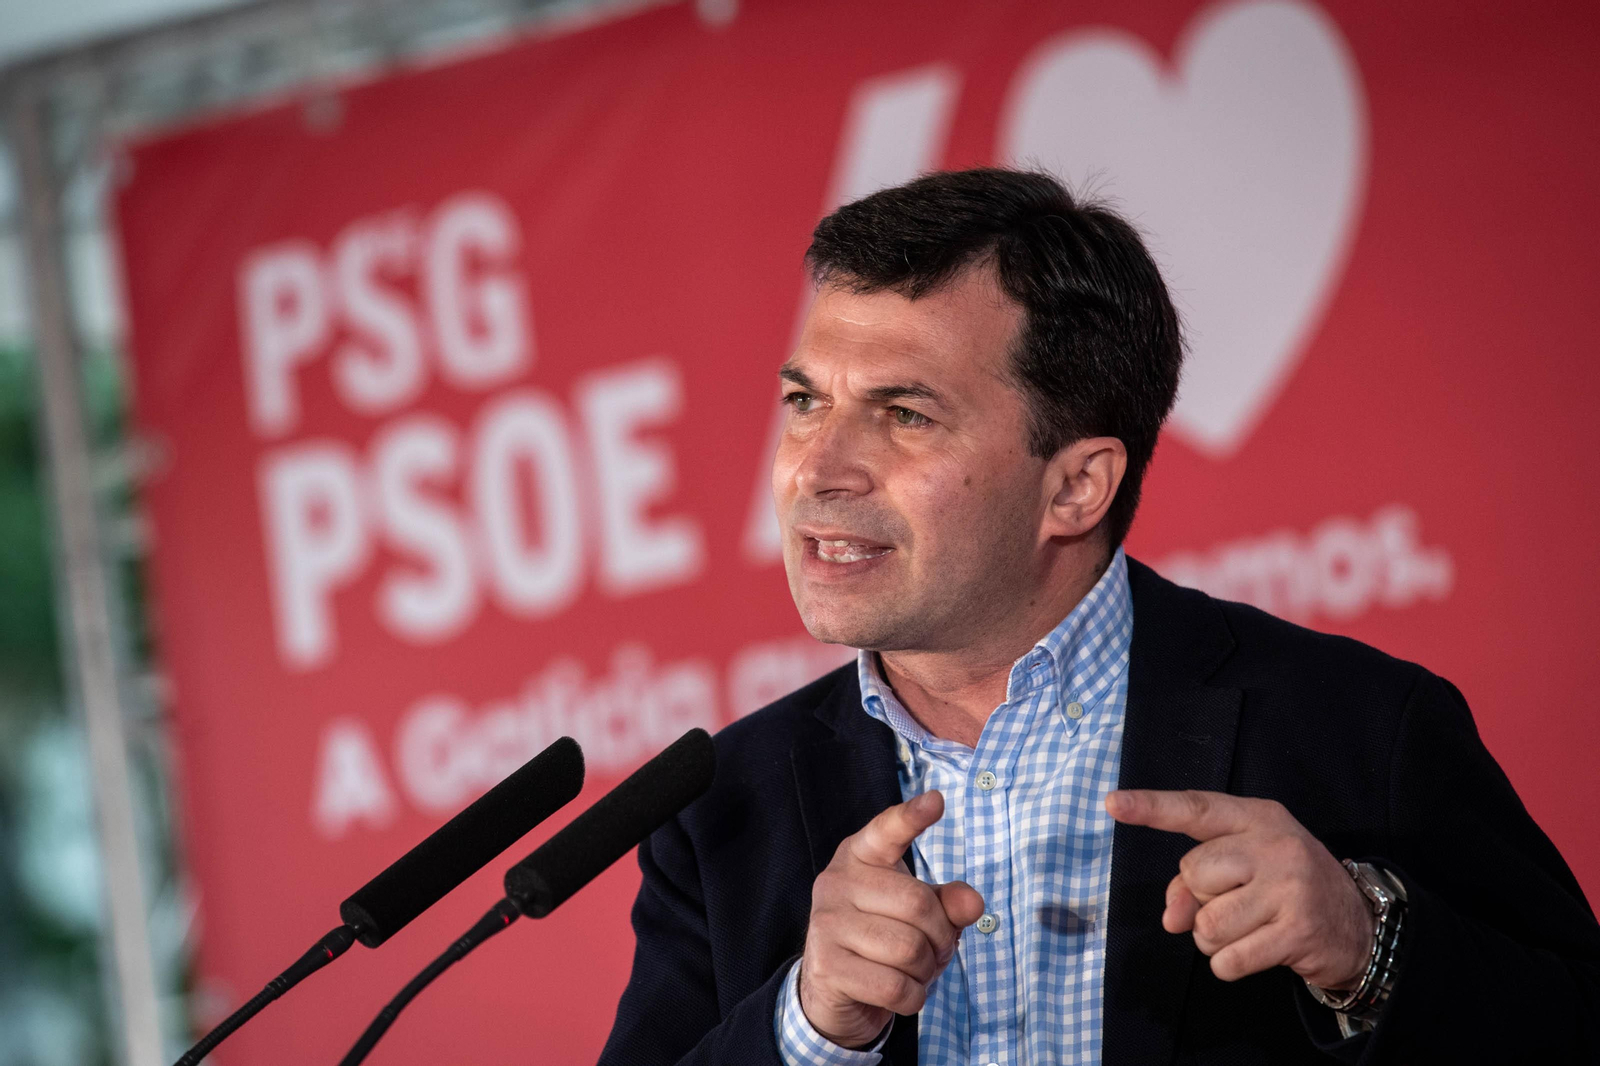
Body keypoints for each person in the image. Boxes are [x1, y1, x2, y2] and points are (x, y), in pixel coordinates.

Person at [596, 168, 1600, 1065]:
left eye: (904, 414)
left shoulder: (1358, 726)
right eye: (805, 402)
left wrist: (1367, 948)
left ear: (1075, 486)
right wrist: (805, 1028)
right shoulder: (720, 808)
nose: (816, 469)